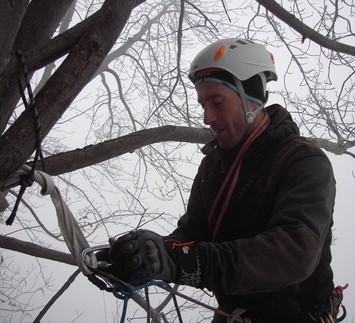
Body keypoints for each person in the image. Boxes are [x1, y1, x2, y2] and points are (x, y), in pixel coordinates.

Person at [108, 38, 342, 323]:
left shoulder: (303, 162)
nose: (207, 117)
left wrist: (182, 261)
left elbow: (294, 252)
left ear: (251, 98)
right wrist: (149, 252)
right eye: (203, 104)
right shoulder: (213, 166)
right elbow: (194, 232)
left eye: (216, 102)